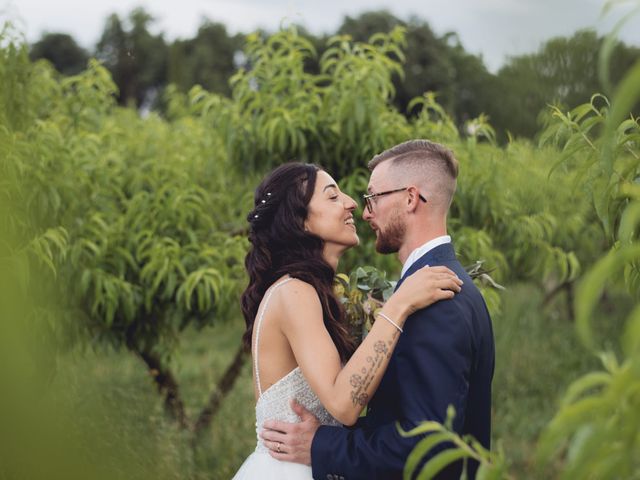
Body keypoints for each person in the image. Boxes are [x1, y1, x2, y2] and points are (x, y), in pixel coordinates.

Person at [260, 140, 495, 479]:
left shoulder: (436, 299)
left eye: (374, 197)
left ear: (411, 198)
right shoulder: (432, 289)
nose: (363, 210)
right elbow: (404, 419)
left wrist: (323, 445)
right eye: (335, 196)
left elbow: (427, 444)